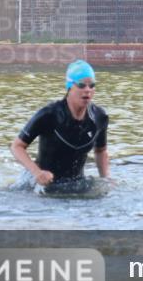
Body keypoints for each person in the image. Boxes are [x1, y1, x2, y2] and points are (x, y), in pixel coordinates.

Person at [10, 60, 110, 191]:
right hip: (41, 185)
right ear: (69, 87)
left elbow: (101, 151)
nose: (87, 90)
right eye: (81, 85)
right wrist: (37, 173)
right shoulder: (49, 114)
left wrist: (106, 180)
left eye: (92, 85)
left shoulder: (99, 117)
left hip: (76, 183)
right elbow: (17, 146)